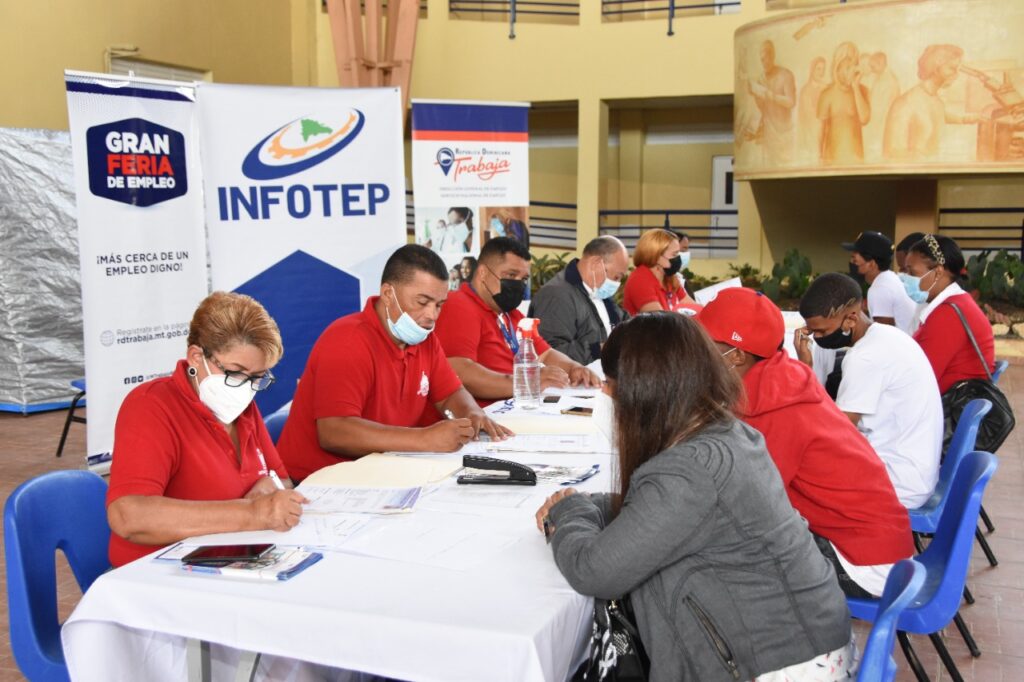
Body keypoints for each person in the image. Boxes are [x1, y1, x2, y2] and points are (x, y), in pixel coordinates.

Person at [535, 313, 854, 682]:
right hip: (800, 644)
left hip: (776, 665)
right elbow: (651, 509)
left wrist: (568, 512)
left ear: (645, 389)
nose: (605, 393)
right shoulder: (721, 433)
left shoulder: (689, 470)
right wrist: (585, 503)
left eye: (610, 383)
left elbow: (594, 572)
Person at [699, 288, 913, 598]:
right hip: (873, 542)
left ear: (736, 357)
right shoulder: (781, 378)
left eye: (703, 346)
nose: (695, 354)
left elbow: (744, 502)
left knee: (710, 565)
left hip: (864, 562)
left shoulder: (775, 412)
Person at [277, 245, 510, 482]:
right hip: (318, 483)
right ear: (388, 294)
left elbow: (450, 394)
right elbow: (334, 432)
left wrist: (472, 413)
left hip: (380, 473)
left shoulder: (425, 340)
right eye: (422, 302)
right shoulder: (347, 340)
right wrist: (424, 439)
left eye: (439, 305)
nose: (432, 316)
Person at [106, 292, 306, 567]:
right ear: (196, 357)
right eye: (235, 373)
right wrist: (251, 513)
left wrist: (269, 491)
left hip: (230, 561)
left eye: (257, 378)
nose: (246, 388)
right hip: (157, 572)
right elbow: (129, 516)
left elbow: (281, 480)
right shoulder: (151, 406)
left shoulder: (242, 409)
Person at [796, 273, 942, 509]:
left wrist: (804, 371)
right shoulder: (887, 335)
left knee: (795, 482)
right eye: (813, 333)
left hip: (899, 483)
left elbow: (836, 434)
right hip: (915, 470)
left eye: (821, 331)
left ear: (851, 319)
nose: (817, 339)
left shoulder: (864, 357)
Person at [434, 237, 601, 405]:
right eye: (511, 275)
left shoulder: (511, 314)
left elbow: (545, 354)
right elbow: (460, 371)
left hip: (518, 407)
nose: (518, 284)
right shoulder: (459, 305)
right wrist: (526, 382)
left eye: (523, 279)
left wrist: (574, 368)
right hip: (484, 414)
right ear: (483, 272)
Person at [906, 234, 995, 393]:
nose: (906, 279)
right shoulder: (957, 302)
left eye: (912, 273)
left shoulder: (947, 315)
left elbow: (919, 378)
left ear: (938, 272)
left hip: (948, 403)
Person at [529, 236, 630, 365]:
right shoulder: (556, 295)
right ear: (595, 263)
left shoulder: (598, 291)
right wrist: (599, 350)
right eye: (616, 277)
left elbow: (624, 323)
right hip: (580, 376)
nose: (617, 283)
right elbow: (549, 353)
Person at [842, 230, 917, 332]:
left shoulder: (880, 288)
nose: (852, 263)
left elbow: (883, 334)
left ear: (871, 264)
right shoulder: (889, 279)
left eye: (855, 259)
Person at [622, 228, 699, 316]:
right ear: (656, 255)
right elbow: (660, 320)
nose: (678, 258)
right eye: (674, 254)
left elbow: (693, 307)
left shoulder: (669, 277)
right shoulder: (640, 280)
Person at [817, 42, 871, 165]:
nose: (850, 71)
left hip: (856, 160)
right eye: (847, 67)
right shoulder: (826, 94)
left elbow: (864, 119)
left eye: (853, 66)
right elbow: (821, 130)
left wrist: (855, 87)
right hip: (832, 160)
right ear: (838, 68)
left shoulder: (863, 90)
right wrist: (820, 157)